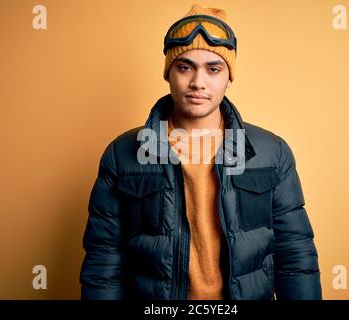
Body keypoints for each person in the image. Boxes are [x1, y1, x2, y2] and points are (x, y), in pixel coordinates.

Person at [79, 3, 322, 300]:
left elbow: (296, 257)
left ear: (228, 77)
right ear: (168, 73)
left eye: (213, 68)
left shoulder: (272, 153)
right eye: (185, 67)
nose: (198, 82)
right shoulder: (122, 154)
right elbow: (104, 261)